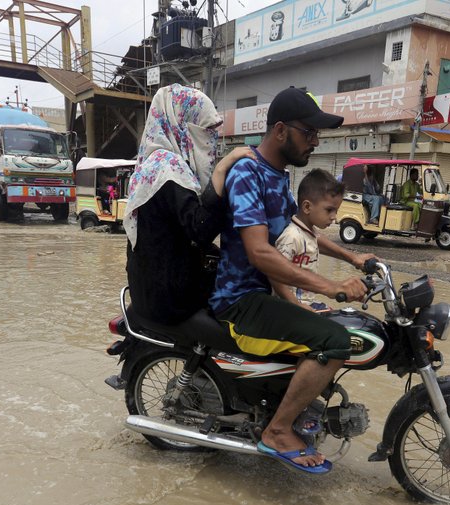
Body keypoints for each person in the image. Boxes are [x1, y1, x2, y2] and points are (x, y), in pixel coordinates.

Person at [211, 86, 372, 473]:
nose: (315, 141)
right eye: (309, 133)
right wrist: (330, 286)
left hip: (268, 294)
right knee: (336, 340)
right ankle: (278, 431)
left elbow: (303, 231)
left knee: (337, 324)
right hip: (242, 300)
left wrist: (354, 258)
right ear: (281, 130)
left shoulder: (278, 177)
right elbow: (260, 252)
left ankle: (291, 408)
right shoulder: (248, 172)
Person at [123, 84, 254, 325]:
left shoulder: (153, 163)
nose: (210, 138)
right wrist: (222, 169)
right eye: (205, 129)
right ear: (182, 125)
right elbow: (200, 228)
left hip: (149, 287)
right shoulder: (168, 169)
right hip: (169, 297)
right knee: (243, 300)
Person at [271, 168, 364, 311]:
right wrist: (295, 304)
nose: (334, 217)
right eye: (329, 210)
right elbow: (275, 275)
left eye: (336, 211)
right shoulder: (292, 237)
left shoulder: (310, 233)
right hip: (290, 307)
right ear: (307, 207)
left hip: (307, 302)